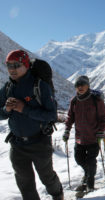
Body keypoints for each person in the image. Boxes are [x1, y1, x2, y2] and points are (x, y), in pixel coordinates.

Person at [0, 50, 63, 200]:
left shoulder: (39, 86)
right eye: (9, 65)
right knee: (24, 183)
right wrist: (6, 109)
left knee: (47, 177)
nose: (12, 69)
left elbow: (51, 115)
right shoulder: (8, 87)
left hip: (39, 142)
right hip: (17, 144)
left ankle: (58, 196)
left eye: (16, 65)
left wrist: (24, 109)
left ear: (26, 65)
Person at [63, 75, 105, 192]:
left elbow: (104, 117)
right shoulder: (74, 101)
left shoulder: (96, 100)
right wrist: (67, 130)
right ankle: (87, 175)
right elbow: (70, 117)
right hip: (80, 138)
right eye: (77, 85)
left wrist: (101, 131)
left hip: (93, 137)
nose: (80, 87)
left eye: (83, 84)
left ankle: (90, 185)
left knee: (91, 161)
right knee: (79, 159)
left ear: (88, 86)